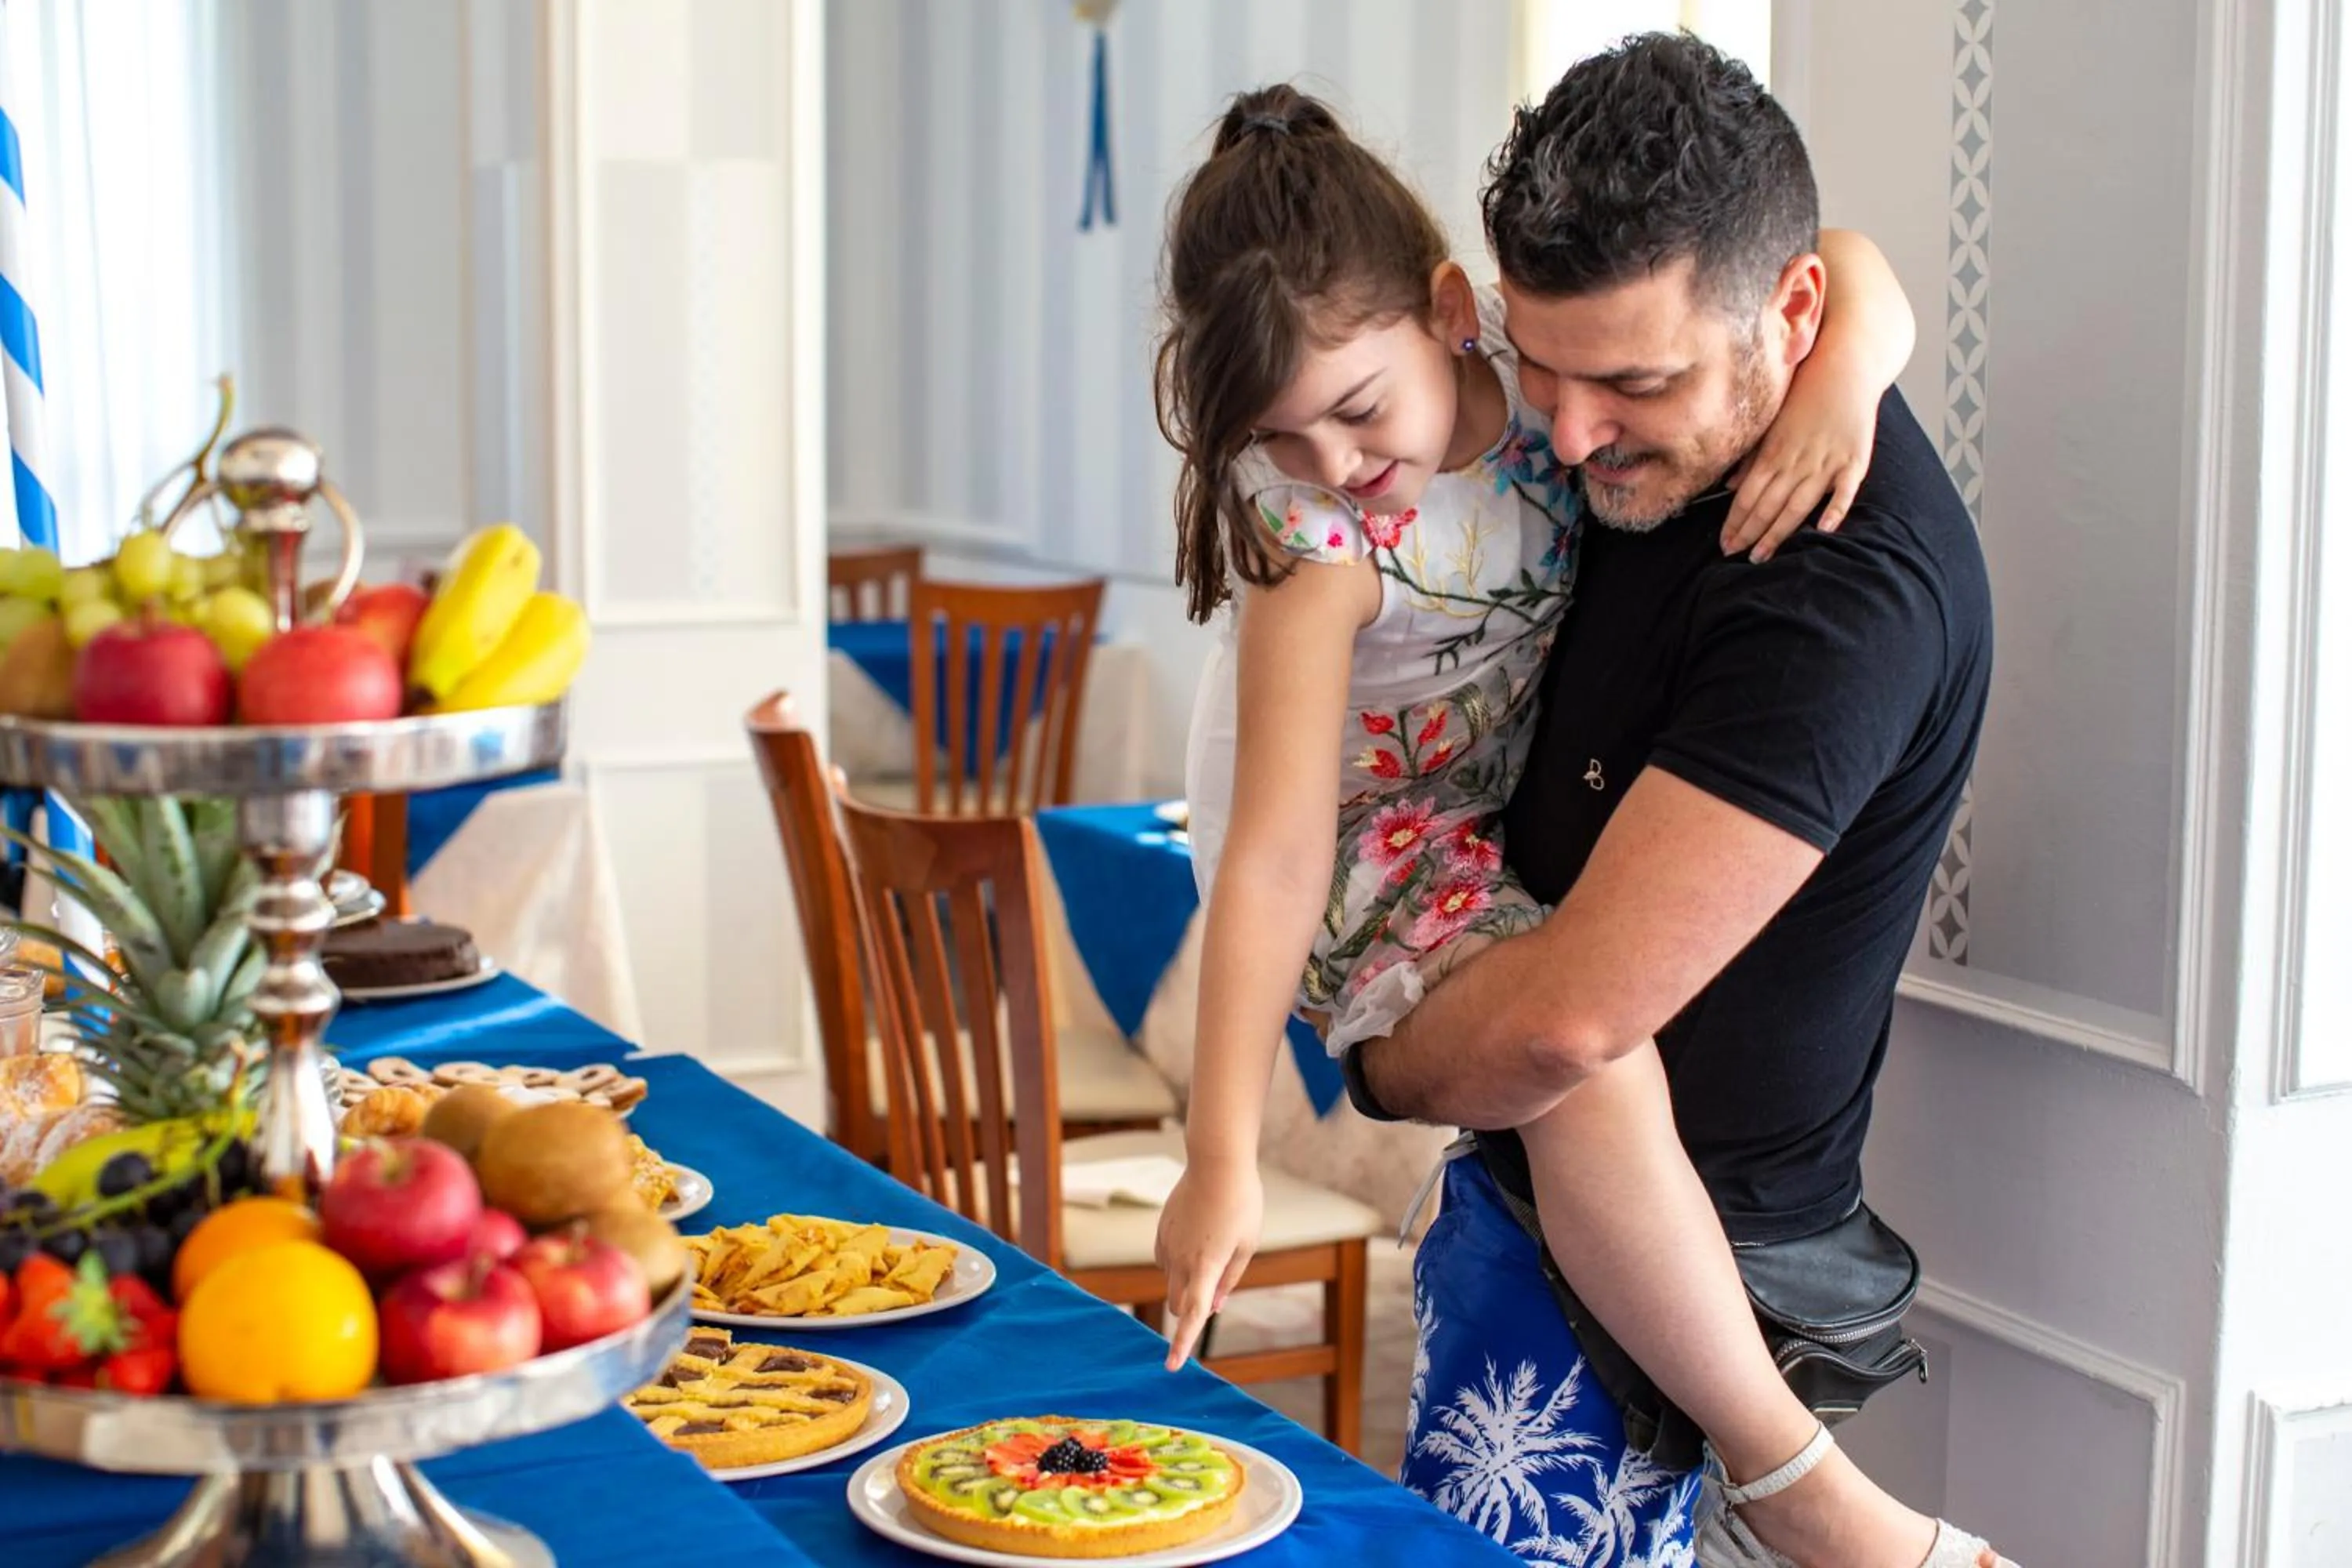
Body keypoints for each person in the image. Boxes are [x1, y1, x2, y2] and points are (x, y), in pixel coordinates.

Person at [1152, 77, 1998, 1567]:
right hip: (1426, 928)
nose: (1580, 429)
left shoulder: (1840, 575)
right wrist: (1226, 1146)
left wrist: (1857, 353)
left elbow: (1843, 260)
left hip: (1685, 1211)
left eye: (1637, 388)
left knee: (1583, 1057)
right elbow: (1278, 850)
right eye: (1548, 376)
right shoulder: (1403, 474)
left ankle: (1797, 1483)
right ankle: (1798, 1485)